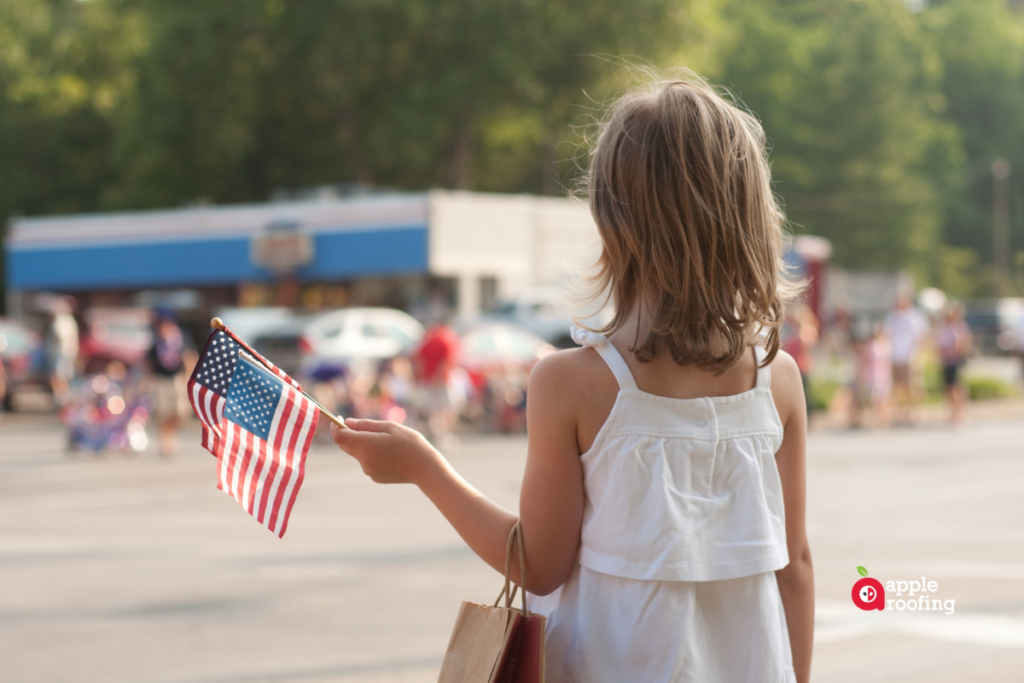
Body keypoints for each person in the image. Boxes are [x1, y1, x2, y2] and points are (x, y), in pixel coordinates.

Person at [330, 73, 813, 683]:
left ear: (611, 219)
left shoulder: (571, 383)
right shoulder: (781, 381)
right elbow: (794, 566)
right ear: (749, 215)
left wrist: (425, 468)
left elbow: (538, 564)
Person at [146, 311, 195, 457]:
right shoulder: (155, 340)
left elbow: (189, 356)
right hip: (161, 379)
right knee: (164, 412)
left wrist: (190, 376)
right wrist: (148, 379)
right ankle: (166, 440)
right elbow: (149, 361)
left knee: (181, 413)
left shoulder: (181, 337)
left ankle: (169, 432)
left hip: (178, 378)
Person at [412, 321, 462, 444]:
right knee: (448, 409)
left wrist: (421, 379)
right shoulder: (446, 340)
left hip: (428, 381)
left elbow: (418, 363)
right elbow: (447, 362)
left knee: (433, 411)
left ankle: (437, 434)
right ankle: (441, 435)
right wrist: (438, 377)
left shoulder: (427, 342)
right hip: (442, 381)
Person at [885, 294, 929, 425]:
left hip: (910, 356)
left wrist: (917, 354)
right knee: (896, 387)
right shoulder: (891, 317)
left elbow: (922, 336)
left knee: (912, 386)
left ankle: (915, 411)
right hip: (894, 356)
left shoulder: (914, 317)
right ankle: (900, 412)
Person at [935, 303, 972, 426]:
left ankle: (959, 411)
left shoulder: (959, 327)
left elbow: (962, 343)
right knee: (948, 388)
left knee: (955, 386)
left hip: (954, 360)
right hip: (946, 360)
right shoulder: (944, 328)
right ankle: (953, 411)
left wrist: (953, 351)